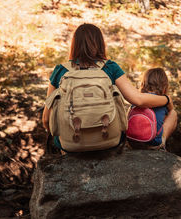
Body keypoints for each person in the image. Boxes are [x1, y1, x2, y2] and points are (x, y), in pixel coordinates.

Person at [42, 23, 172, 151]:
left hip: (70, 144)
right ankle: (161, 145)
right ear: (100, 43)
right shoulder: (110, 67)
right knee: (173, 114)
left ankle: (69, 153)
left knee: (64, 141)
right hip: (109, 141)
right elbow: (138, 100)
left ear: (74, 45)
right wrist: (166, 100)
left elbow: (46, 119)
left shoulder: (61, 70)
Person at [138, 67, 177, 149]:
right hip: (151, 143)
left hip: (133, 141)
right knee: (173, 113)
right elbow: (171, 111)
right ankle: (161, 142)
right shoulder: (163, 100)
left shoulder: (137, 98)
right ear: (164, 84)